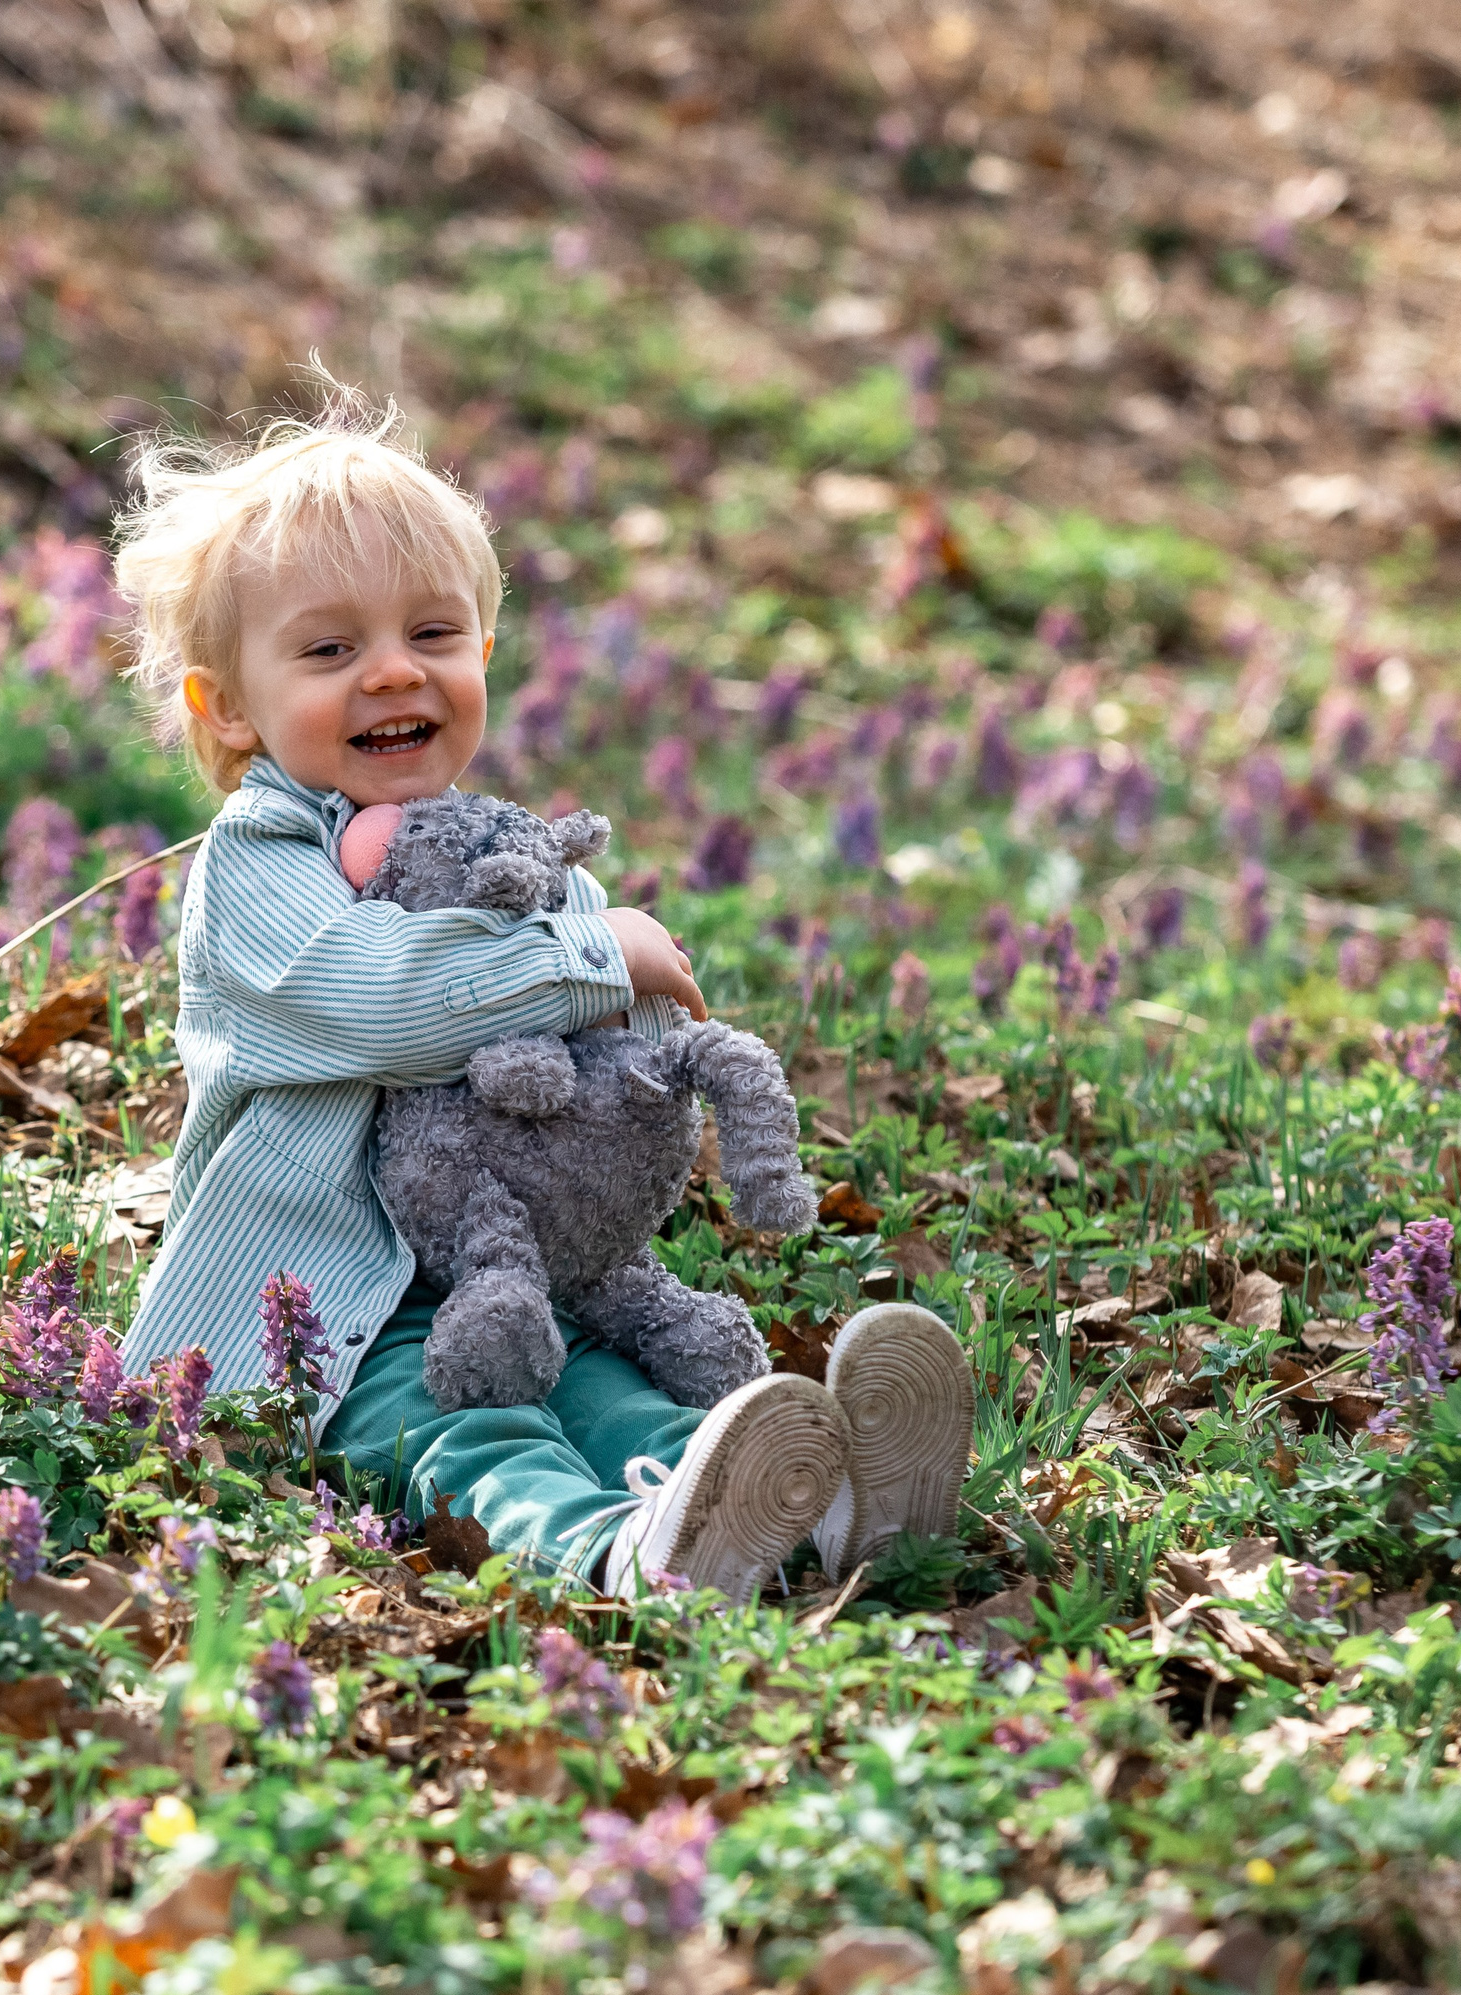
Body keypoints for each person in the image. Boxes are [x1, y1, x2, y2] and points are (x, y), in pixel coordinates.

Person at [111, 390, 971, 1599]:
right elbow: (381, 1003)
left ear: (482, 654)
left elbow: (607, 1070)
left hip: (521, 1272)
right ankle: (613, 1551)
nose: (392, 669)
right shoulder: (259, 864)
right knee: (472, 1432)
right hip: (329, 1314)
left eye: (432, 631)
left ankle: (815, 1508)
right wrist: (590, 959)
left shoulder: (514, 857)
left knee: (610, 1394)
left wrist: (635, 1049)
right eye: (329, 649)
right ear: (231, 705)